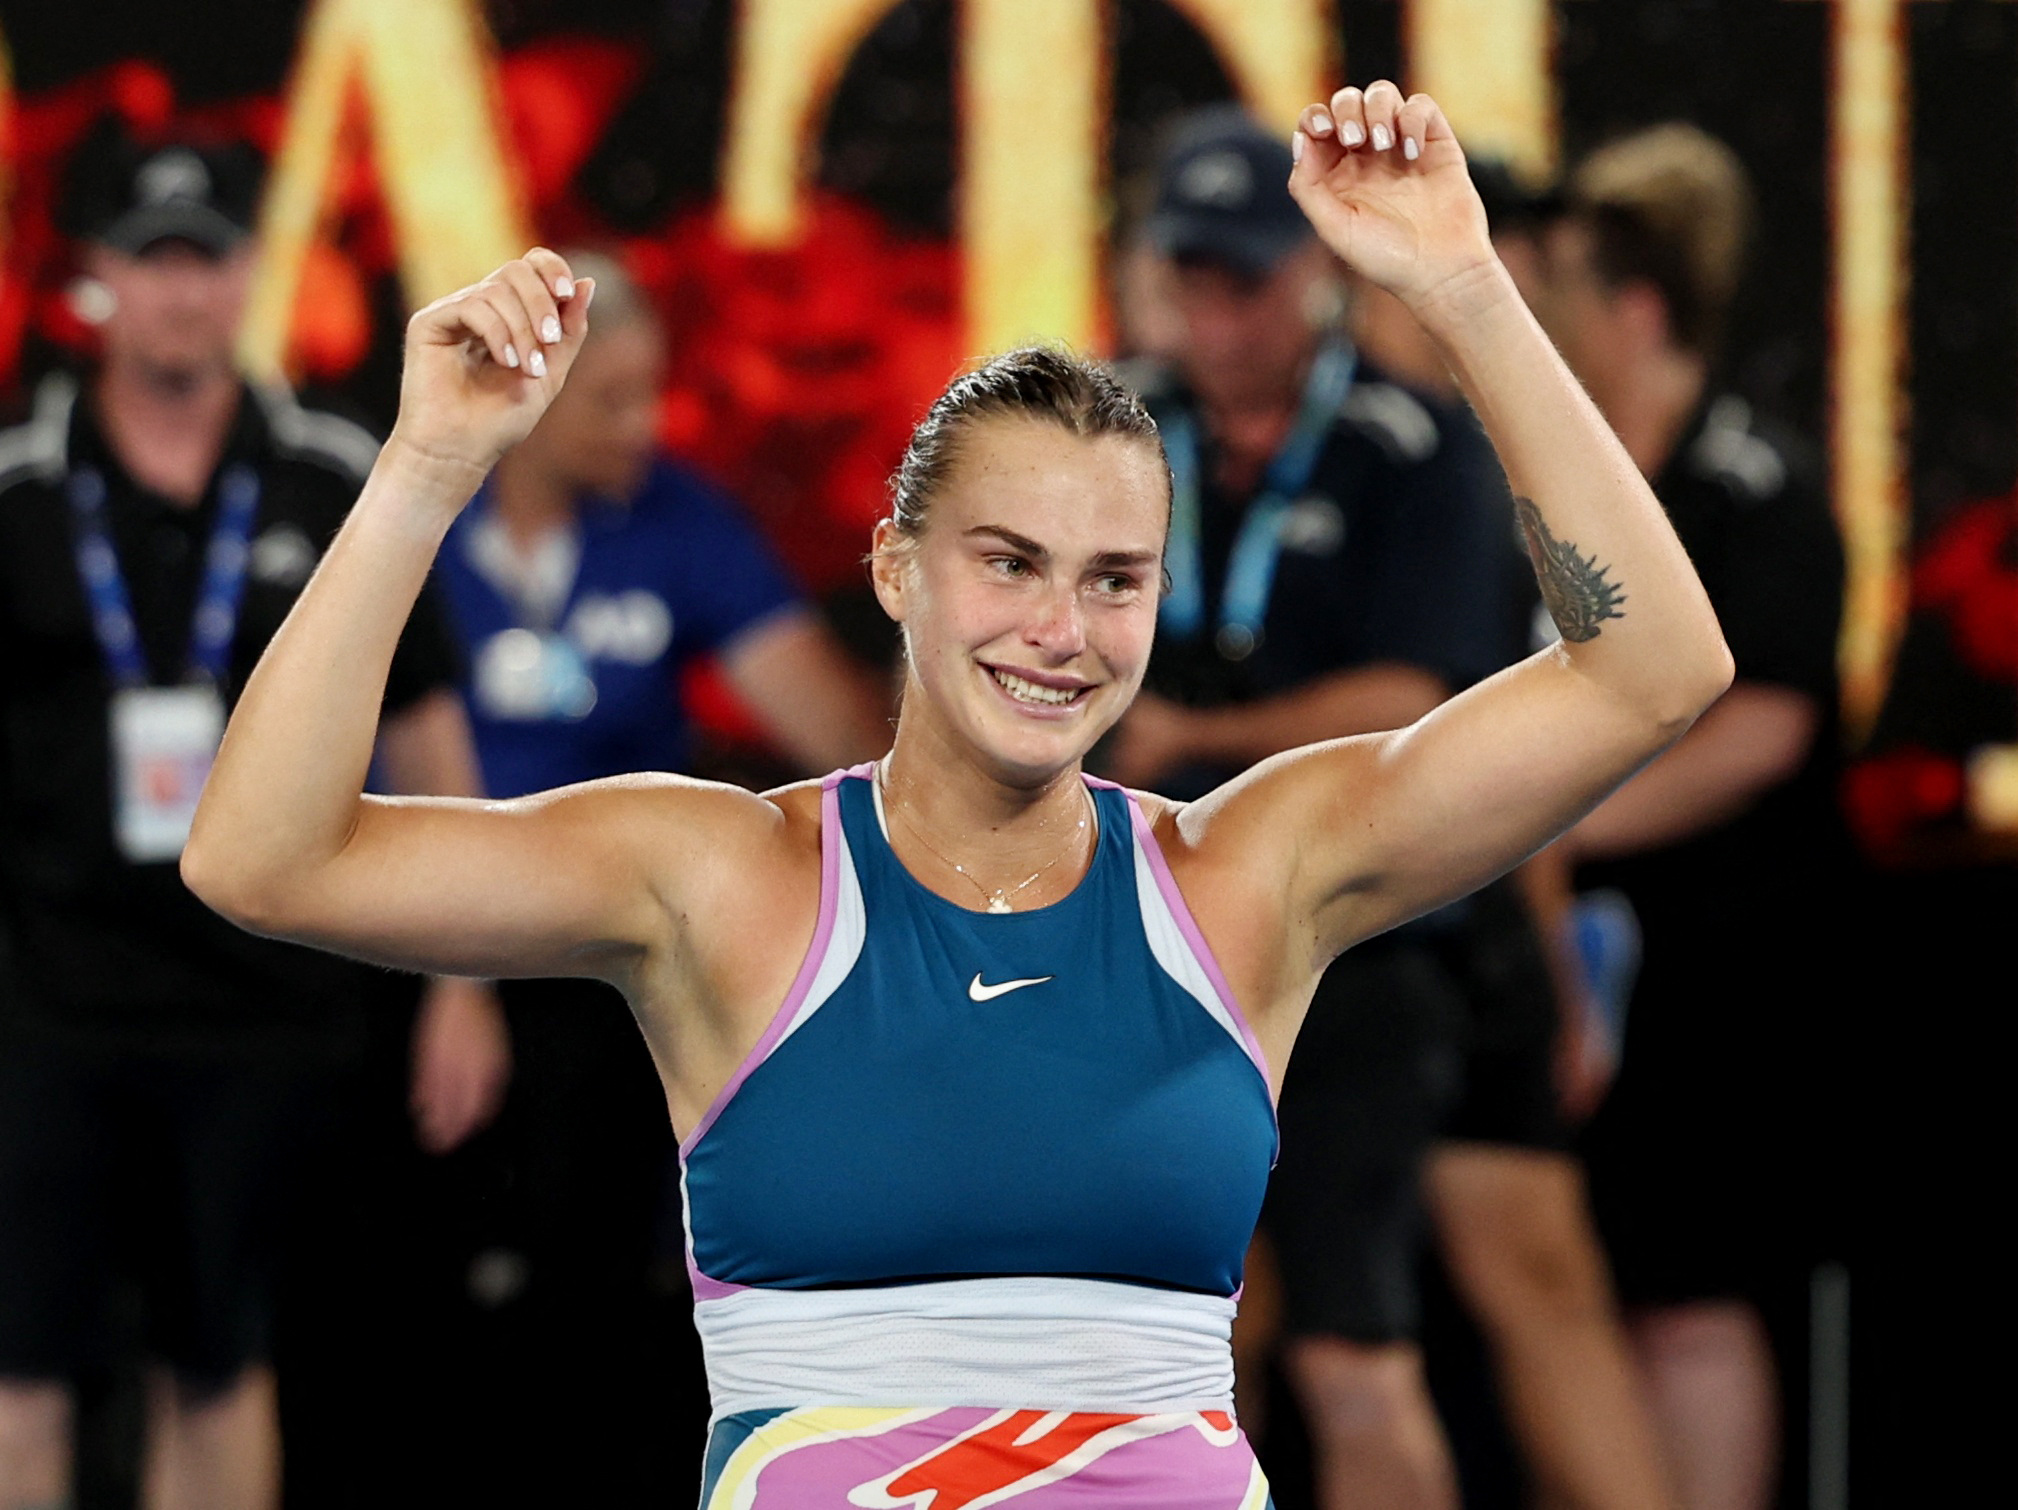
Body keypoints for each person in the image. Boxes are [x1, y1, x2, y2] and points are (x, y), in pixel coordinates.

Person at [179, 80, 1733, 1508]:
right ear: (895, 570)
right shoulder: (721, 874)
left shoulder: (1244, 875)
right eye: (1010, 563)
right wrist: (424, 470)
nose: (1062, 630)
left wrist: (1462, 290)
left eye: (1115, 579)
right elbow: (263, 856)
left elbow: (1652, 668)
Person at [1105, 111, 1670, 1510]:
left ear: (1316, 272)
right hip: (1159, 945)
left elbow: (1454, 701)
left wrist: (1192, 736)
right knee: (1182, 1338)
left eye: (1246, 275)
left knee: (1388, 1331)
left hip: (1375, 944)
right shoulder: (1099, 430)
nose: (1219, 313)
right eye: (1193, 275)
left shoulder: (1414, 443)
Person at [0, 123, 501, 1510]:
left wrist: (466, 981)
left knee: (220, 1359)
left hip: (269, 1001)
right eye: (152, 265)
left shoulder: (332, 477)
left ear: (247, 280)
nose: (182, 296)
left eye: (207, 264)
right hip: (46, 1005)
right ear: (98, 280)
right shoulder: (20, 486)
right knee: (19, 1368)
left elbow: (429, 731)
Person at [426, 249, 889, 1499]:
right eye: (612, 401)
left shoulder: (678, 518)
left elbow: (834, 727)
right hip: (425, 957)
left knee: (626, 1271)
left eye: (653, 393)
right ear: (528, 390)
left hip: (615, 974)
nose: (646, 426)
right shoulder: (415, 510)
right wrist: (452, 977)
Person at [1533, 125, 1847, 1510]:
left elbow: (1762, 727)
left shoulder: (1754, 485)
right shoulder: (1559, 487)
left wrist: (1550, 830)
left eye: (1560, 295)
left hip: (1727, 960)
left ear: (1635, 308)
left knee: (1691, 1294)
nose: (1537, 326)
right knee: (1567, 1290)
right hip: (1563, 958)